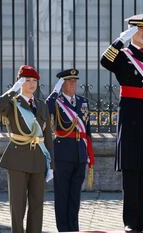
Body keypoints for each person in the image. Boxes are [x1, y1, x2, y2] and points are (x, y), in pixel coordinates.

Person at [100, 13, 143, 233]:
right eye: (140, 29)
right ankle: (130, 221)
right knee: (131, 172)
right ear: (132, 31)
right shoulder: (122, 55)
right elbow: (104, 61)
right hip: (130, 117)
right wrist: (120, 40)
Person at [0, 65, 53, 233]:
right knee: (17, 206)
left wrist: (52, 163)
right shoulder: (12, 103)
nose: (32, 84)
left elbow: (48, 135)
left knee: (37, 205)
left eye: (34, 80)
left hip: (39, 159)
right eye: (27, 80)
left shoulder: (41, 105)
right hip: (18, 158)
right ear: (20, 82)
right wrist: (12, 90)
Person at [46, 68, 94, 232]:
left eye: (75, 81)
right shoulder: (57, 101)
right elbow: (46, 109)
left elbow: (87, 131)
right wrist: (55, 91)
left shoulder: (83, 101)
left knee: (75, 195)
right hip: (63, 152)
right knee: (62, 194)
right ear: (62, 84)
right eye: (69, 81)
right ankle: (63, 228)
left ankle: (74, 227)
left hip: (80, 153)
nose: (73, 84)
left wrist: (89, 154)